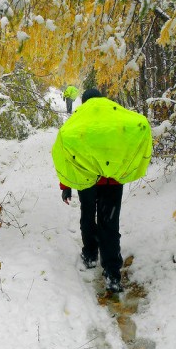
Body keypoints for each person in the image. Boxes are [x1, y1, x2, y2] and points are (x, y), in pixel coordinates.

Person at [51, 88, 152, 293]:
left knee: (88, 217)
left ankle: (89, 256)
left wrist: (66, 186)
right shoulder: (115, 114)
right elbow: (135, 128)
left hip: (88, 181)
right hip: (113, 182)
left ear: (85, 101)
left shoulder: (80, 118)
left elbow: (66, 150)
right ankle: (112, 274)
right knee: (109, 224)